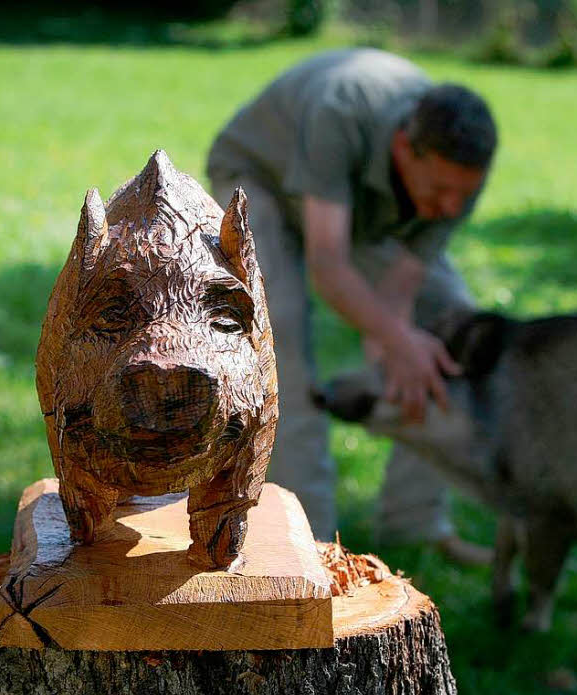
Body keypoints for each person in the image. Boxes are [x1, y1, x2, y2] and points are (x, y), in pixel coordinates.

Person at [206, 48, 496, 563]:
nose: (452, 209)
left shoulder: (459, 173)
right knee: (282, 344)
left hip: (353, 210)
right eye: (442, 191)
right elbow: (330, 266)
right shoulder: (341, 113)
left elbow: (401, 288)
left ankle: (415, 523)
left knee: (452, 335)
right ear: (406, 148)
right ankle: (310, 549)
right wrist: (396, 338)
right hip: (260, 178)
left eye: (462, 196)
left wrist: (396, 340)